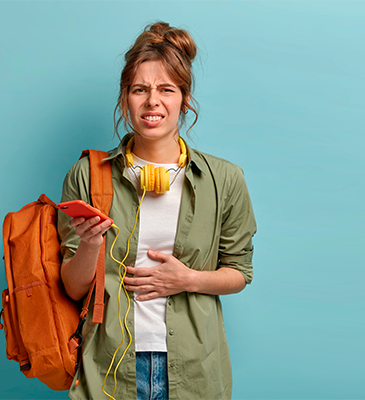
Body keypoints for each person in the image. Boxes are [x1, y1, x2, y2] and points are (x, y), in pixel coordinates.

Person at [57, 21, 256, 400]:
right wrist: (89, 246)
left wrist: (188, 280)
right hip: (108, 366)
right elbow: (73, 287)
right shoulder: (87, 175)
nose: (152, 101)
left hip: (194, 367)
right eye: (139, 90)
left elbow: (239, 272)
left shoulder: (225, 179)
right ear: (124, 99)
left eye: (166, 89)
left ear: (184, 98)